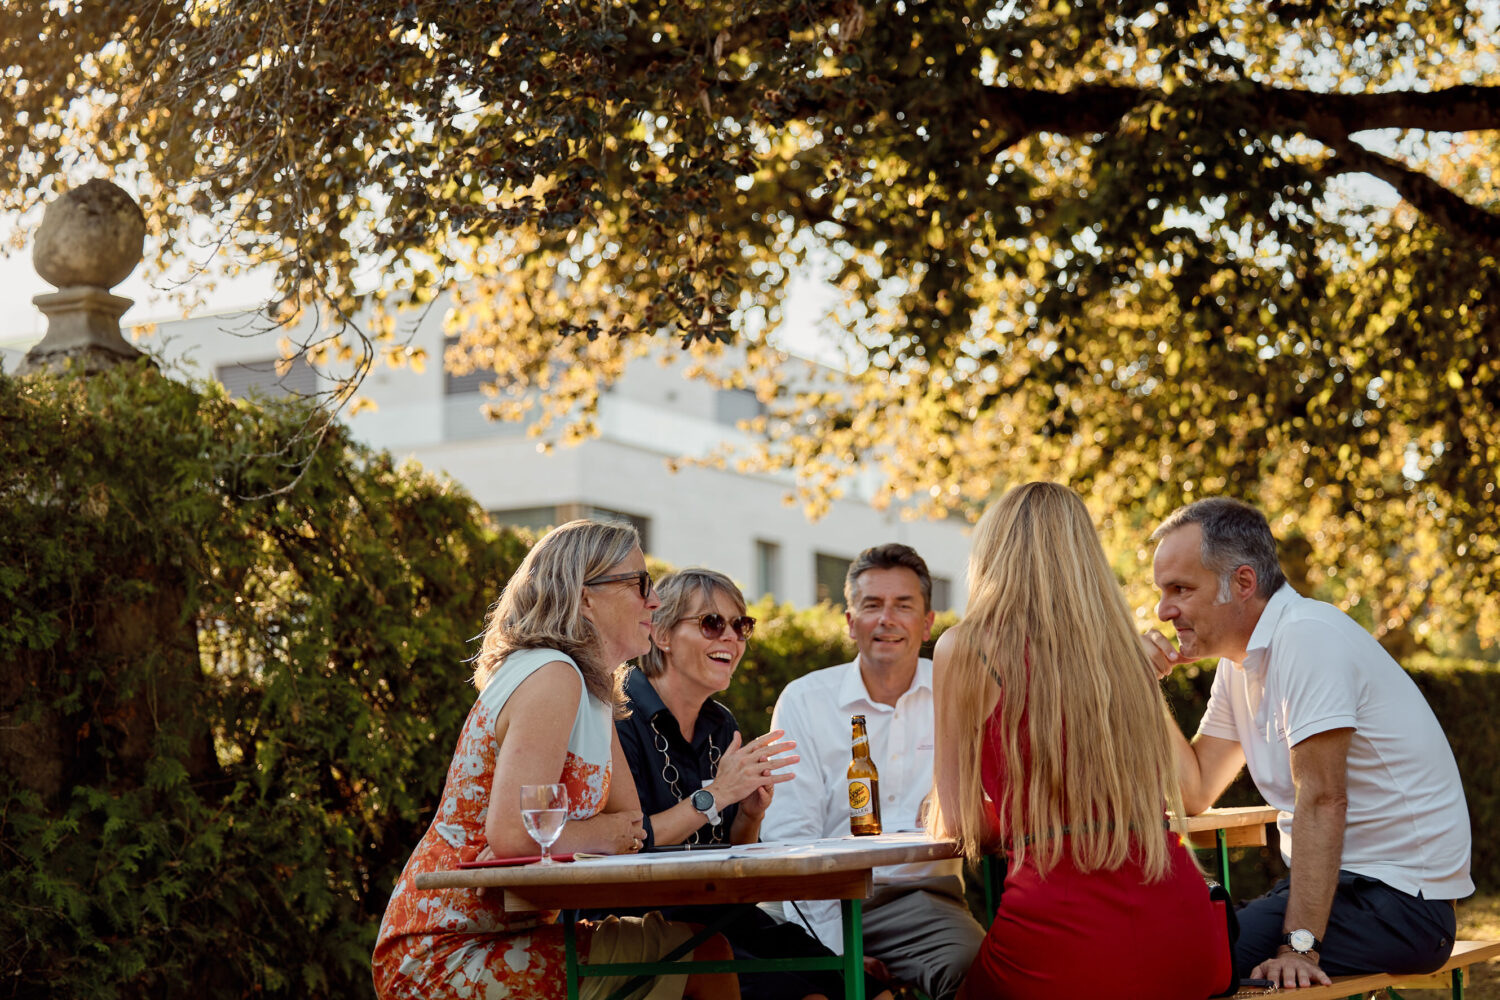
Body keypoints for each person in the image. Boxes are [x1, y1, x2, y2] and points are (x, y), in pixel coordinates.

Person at [373, 520, 738, 1000]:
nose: (655, 601)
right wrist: (602, 834)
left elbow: (632, 824)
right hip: (445, 950)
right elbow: (514, 837)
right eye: (640, 584)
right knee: (704, 958)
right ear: (585, 597)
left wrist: (604, 833)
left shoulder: (593, 686)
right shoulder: (552, 675)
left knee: (706, 950)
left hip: (505, 931)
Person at [1144, 497, 1473, 989]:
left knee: (1186, 958)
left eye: (1181, 589)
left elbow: (1323, 798)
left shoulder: (1307, 638)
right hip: (1339, 893)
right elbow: (1193, 790)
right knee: (1172, 941)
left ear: (1243, 583)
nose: (1163, 609)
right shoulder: (1241, 666)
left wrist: (1299, 948)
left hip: (1404, 907)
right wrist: (1142, 685)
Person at [931, 482, 1232, 1000]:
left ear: (993, 553)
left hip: (1058, 936)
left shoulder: (965, 647)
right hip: (1186, 935)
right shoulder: (1126, 651)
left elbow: (959, 823)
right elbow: (1190, 794)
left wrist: (1030, 808)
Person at [613, 568, 890, 1000]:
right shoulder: (620, 713)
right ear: (662, 635)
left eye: (741, 625)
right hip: (651, 926)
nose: (731, 637)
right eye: (711, 623)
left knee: (866, 988)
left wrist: (749, 813)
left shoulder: (721, 724)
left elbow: (732, 850)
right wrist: (717, 795)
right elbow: (629, 842)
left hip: (723, 915)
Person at [763, 544, 984, 1000]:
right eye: (872, 605)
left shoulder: (960, 696)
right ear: (849, 622)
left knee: (980, 973)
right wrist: (835, 951)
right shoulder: (804, 701)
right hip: (823, 899)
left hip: (922, 903)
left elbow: (991, 800)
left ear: (927, 624)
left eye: (904, 606)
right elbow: (789, 839)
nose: (887, 619)